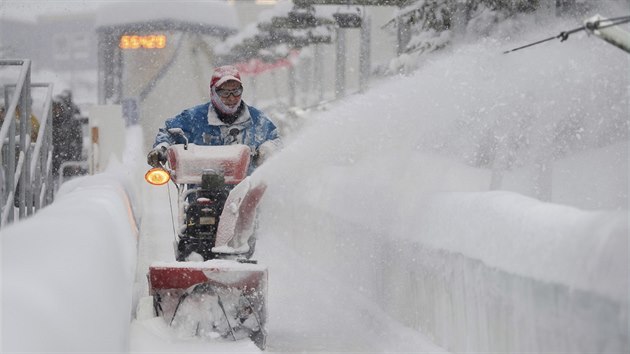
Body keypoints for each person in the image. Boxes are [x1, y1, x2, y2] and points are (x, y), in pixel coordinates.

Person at [147, 65, 282, 171]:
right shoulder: (194, 118)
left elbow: (275, 140)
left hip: (245, 196)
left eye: (236, 91)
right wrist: (161, 149)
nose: (231, 97)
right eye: (224, 92)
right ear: (213, 93)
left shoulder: (256, 120)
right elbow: (169, 131)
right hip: (199, 191)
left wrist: (265, 151)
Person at [51, 91, 84, 177]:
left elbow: (78, 142)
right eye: (54, 109)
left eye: (58, 109)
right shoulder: (51, 123)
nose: (56, 111)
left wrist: (76, 160)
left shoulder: (71, 122)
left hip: (67, 157)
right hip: (56, 159)